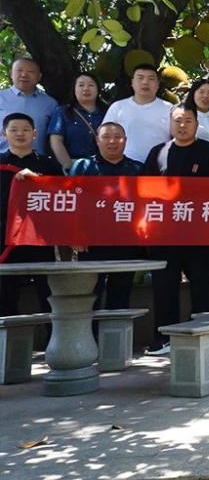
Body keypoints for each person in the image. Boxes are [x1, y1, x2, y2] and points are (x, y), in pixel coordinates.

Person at [142, 105, 209, 355]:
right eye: (178, 120)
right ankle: (164, 338)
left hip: (201, 235)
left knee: (203, 289)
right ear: (170, 124)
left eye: (188, 121)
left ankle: (203, 337)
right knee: (164, 288)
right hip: (164, 234)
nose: (182, 125)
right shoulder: (158, 152)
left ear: (197, 124)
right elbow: (143, 190)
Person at [70, 122, 144, 310]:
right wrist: (75, 235)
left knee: (121, 296)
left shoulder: (138, 170)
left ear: (125, 140)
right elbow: (71, 203)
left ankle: (116, 331)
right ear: (97, 140)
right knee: (90, 297)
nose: (112, 141)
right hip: (91, 243)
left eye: (118, 137)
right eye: (106, 137)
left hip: (127, 242)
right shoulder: (83, 167)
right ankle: (89, 331)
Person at [0, 113, 63, 315]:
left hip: (39, 236)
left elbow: (62, 196)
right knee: (6, 293)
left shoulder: (49, 165)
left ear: (34, 134)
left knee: (46, 293)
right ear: (4, 133)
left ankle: (50, 335)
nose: (20, 134)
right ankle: (8, 335)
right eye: (14, 130)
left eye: (26, 130)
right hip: (5, 236)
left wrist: (37, 180)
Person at [101, 64, 173, 164]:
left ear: (158, 84)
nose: (145, 82)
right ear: (132, 82)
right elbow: (104, 137)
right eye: (140, 78)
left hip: (159, 167)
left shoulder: (169, 109)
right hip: (125, 167)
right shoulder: (118, 107)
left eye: (151, 79)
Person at [47, 72, 107, 171]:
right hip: (73, 167)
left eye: (91, 85)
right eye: (81, 85)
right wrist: (68, 165)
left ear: (98, 89)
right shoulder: (62, 112)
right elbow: (56, 140)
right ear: (74, 90)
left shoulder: (107, 112)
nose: (86, 89)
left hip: (101, 168)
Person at [0, 58, 58, 156]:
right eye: (19, 70)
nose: (24, 75)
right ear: (11, 74)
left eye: (31, 71)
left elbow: (55, 137)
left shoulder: (50, 103)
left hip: (36, 160)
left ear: (39, 77)